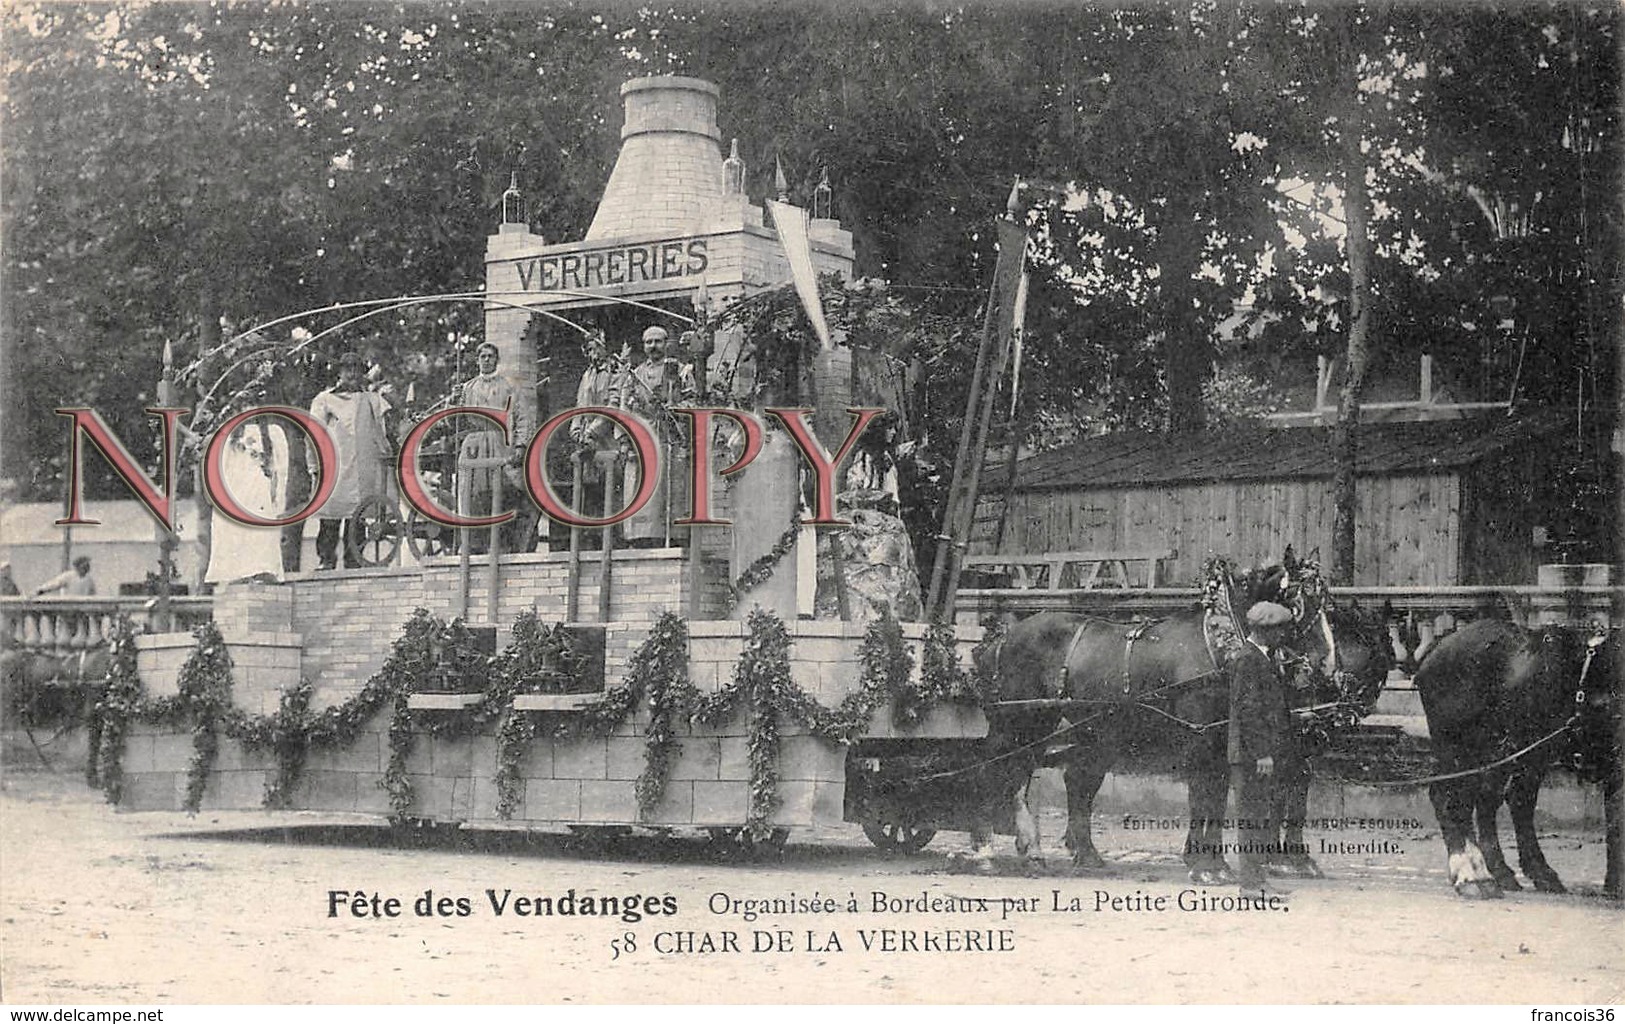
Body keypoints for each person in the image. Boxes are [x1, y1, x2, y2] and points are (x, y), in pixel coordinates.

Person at [1228, 600, 1295, 896]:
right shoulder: (1248, 659)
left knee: (1259, 817)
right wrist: (1262, 753)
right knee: (1251, 818)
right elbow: (1249, 710)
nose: (1283, 636)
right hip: (1249, 756)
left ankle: (1257, 880)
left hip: (1257, 753)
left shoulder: (1262, 657)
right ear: (1265, 631)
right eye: (1279, 630)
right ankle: (1250, 885)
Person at [309, 353, 393, 570]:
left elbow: (383, 430)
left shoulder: (372, 400)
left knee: (359, 514)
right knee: (330, 513)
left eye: (356, 369)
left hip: (362, 463)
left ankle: (354, 559)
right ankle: (326, 559)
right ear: (339, 372)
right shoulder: (324, 400)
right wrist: (314, 465)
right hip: (335, 465)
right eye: (347, 369)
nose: (352, 374)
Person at [453, 341, 532, 554]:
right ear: (477, 360)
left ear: (497, 360)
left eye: (490, 356)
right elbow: (457, 418)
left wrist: (520, 446)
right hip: (476, 443)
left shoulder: (508, 387)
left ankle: (503, 541)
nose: (487, 360)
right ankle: (474, 542)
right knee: (474, 492)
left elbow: (522, 417)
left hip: (500, 441)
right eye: (483, 356)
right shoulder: (468, 387)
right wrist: (455, 401)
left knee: (504, 490)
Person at [622, 325, 695, 547]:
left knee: (670, 488)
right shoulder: (635, 375)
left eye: (658, 341)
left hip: (670, 439)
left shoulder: (680, 371)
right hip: (645, 440)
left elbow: (694, 401)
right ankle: (642, 536)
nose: (653, 346)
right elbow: (624, 409)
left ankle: (672, 537)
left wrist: (677, 409)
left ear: (667, 344)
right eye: (648, 342)